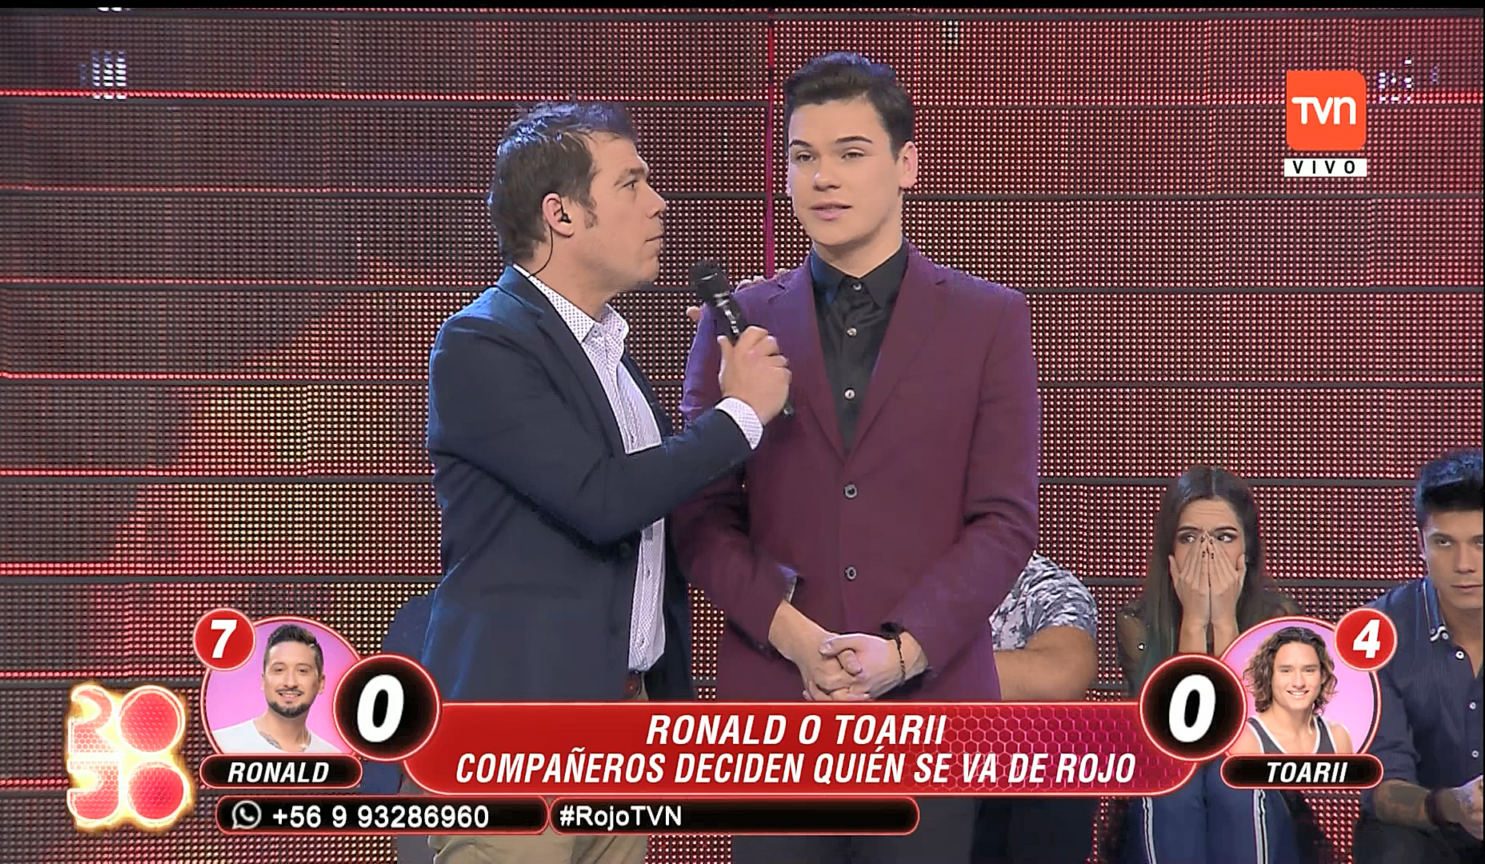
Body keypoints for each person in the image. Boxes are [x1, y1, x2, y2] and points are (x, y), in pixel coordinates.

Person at [672, 52, 1041, 863]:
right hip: (776, 713)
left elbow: (1005, 520)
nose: (823, 178)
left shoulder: (989, 320)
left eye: (851, 153)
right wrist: (795, 636)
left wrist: (903, 652)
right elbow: (698, 515)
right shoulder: (739, 324)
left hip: (930, 713)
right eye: (803, 156)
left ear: (907, 165)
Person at [414, 100, 791, 864]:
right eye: (631, 183)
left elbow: (659, 505)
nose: (659, 202)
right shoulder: (481, 342)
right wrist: (741, 414)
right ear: (561, 214)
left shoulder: (614, 362)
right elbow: (602, 500)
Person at [1106, 466, 1324, 864]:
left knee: (1237, 780)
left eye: (1224, 538)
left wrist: (1225, 624)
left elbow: (1255, 741)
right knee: (1173, 786)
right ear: (1170, 553)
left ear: (1247, 550)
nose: (1206, 554)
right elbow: (1177, 740)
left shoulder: (1279, 620)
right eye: (1189, 538)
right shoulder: (1138, 622)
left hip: (1262, 799)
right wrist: (1193, 623)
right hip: (1168, 791)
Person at [1354, 447, 1483, 864]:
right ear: (1421, 545)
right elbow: (1381, 787)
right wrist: (1454, 806)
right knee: (1390, 846)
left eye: (1481, 543)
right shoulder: (1377, 633)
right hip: (1425, 832)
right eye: (1444, 543)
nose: (1464, 565)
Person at [971, 553, 1100, 864]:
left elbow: (1061, 674)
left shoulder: (1043, 583)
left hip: (1003, 777)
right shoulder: (877, 575)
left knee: (1067, 740)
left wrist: (915, 672)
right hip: (902, 755)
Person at [210, 624, 342, 754]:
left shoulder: (333, 757)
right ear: (263, 680)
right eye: (279, 670)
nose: (290, 683)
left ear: (321, 683)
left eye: (302, 671)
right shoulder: (221, 745)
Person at [1230, 626, 1354, 757]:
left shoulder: (1338, 738)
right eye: (1286, 671)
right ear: (1269, 676)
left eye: (1308, 670)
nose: (1298, 683)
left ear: (1322, 676)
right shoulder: (1245, 740)